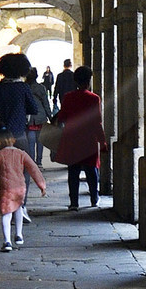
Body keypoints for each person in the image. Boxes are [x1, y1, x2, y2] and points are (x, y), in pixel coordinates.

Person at [0, 134, 46, 250]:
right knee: (18, 208)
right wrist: (42, 185)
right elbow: (33, 169)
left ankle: (7, 242)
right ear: (14, 141)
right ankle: (19, 235)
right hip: (20, 187)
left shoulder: (0, 155)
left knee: (6, 212)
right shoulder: (22, 154)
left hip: (7, 188)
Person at [56, 65, 105, 209]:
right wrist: (102, 141)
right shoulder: (94, 98)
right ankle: (94, 199)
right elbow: (97, 121)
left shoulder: (68, 97)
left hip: (72, 138)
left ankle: (74, 203)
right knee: (91, 171)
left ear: (75, 81)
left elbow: (62, 118)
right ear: (88, 81)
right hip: (88, 139)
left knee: (73, 172)